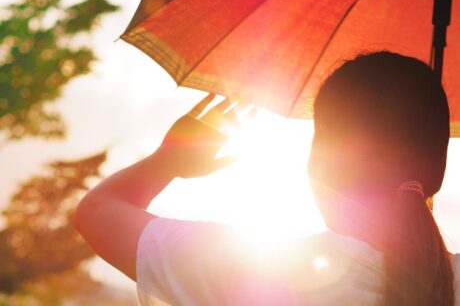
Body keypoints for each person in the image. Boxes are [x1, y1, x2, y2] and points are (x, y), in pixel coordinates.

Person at [75, 51, 460, 306]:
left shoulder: (255, 270)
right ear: (436, 172)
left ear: (322, 161)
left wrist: (167, 161)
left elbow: (97, 213)